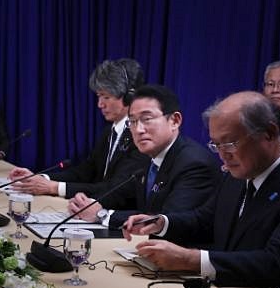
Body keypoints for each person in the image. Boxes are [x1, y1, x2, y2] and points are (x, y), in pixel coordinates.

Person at [124, 92, 280, 288]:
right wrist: (161, 223)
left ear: (270, 133)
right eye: (216, 144)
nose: (222, 155)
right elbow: (206, 220)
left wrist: (191, 260)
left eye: (230, 143)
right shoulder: (238, 174)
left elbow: (277, 263)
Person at [68, 84, 218, 230]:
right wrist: (87, 204)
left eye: (147, 119)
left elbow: (167, 220)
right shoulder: (147, 156)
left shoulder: (194, 163)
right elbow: (121, 194)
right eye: (132, 121)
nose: (138, 129)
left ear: (174, 121)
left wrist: (102, 215)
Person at [9, 58, 148, 197]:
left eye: (106, 97)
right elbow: (86, 172)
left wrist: (54, 188)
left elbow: (115, 188)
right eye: (99, 96)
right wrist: (42, 179)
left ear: (129, 97)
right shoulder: (109, 131)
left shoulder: (140, 136)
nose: (100, 104)